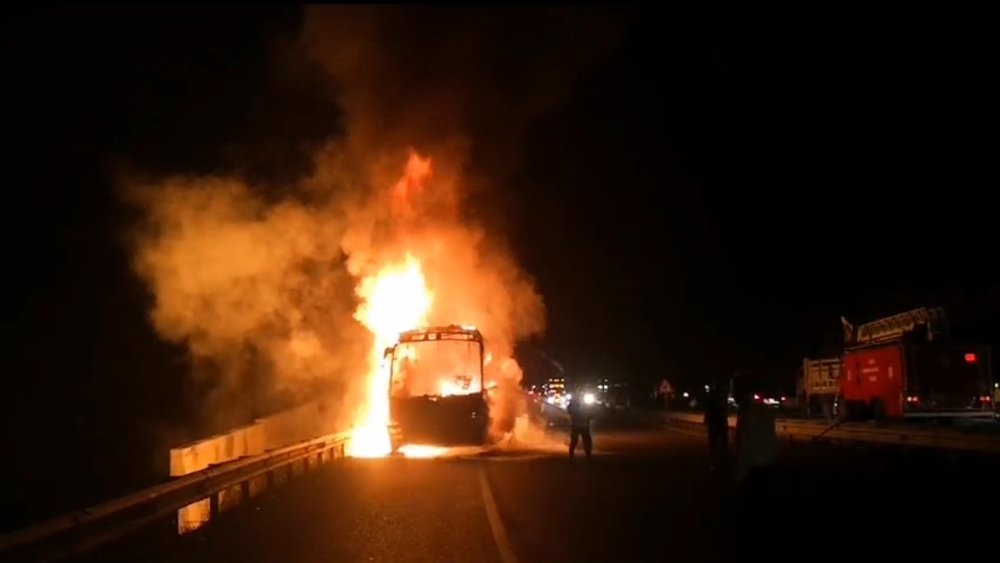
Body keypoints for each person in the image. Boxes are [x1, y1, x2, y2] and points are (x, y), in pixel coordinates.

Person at [703, 379, 729, 469]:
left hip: (716, 422)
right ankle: (721, 461)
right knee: (722, 442)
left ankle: (714, 462)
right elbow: (724, 411)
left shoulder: (712, 397)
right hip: (720, 422)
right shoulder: (722, 396)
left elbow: (708, 410)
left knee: (713, 443)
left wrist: (706, 420)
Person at [566, 396, 593, 460]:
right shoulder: (572, 405)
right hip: (577, 425)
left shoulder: (585, 404)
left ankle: (588, 455)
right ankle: (571, 456)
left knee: (586, 441)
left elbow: (591, 414)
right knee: (575, 441)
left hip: (583, 425)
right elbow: (569, 411)